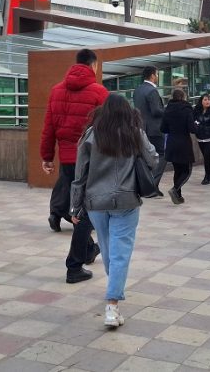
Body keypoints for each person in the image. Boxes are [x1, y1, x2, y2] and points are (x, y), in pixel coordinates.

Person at [70, 94, 158, 329]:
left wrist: (75, 205)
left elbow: (79, 175)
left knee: (110, 251)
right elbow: (154, 159)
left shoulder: (90, 134)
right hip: (127, 201)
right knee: (119, 253)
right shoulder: (134, 133)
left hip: (96, 202)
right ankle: (112, 305)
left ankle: (113, 296)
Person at [39, 49, 107, 282]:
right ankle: (74, 266)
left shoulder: (57, 90)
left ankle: (88, 251)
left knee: (79, 209)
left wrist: (47, 156)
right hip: (90, 159)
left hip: (67, 160)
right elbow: (108, 128)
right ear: (93, 65)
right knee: (85, 213)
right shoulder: (99, 92)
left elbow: (49, 126)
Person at [133, 66, 166, 195]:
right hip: (154, 129)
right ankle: (152, 186)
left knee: (144, 157)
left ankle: (144, 186)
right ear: (152, 75)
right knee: (162, 155)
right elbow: (156, 111)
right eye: (157, 75)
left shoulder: (138, 90)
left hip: (141, 128)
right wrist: (166, 111)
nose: (157, 77)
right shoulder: (152, 91)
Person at [160, 89, 197, 203]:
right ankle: (175, 190)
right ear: (183, 97)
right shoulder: (187, 109)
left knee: (177, 170)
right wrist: (197, 125)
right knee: (186, 170)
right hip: (184, 143)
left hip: (172, 142)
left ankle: (178, 196)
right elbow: (192, 128)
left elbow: (163, 128)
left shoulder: (168, 109)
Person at [193, 93, 210, 185]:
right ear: (201, 101)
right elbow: (193, 122)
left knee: (207, 155)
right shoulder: (196, 111)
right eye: (205, 99)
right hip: (201, 138)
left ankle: (207, 176)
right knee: (207, 157)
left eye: (209, 99)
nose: (207, 101)